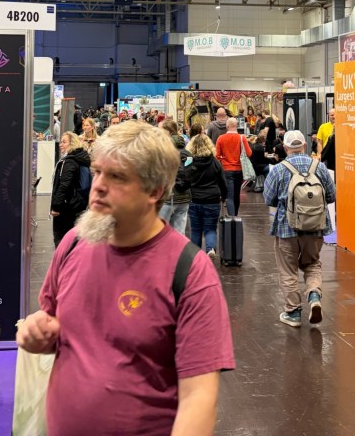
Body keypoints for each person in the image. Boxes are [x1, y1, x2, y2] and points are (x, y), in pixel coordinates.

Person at [16, 120, 234, 436]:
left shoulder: (190, 271)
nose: (98, 185)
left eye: (116, 176)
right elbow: (52, 320)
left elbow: (198, 397)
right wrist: (37, 333)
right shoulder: (74, 243)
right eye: (97, 171)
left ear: (154, 191)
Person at [263, 130, 336, 328]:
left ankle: (293, 312)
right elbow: (331, 196)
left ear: (285, 148)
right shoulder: (319, 167)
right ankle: (314, 296)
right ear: (304, 146)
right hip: (315, 227)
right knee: (312, 264)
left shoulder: (278, 170)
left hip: (287, 229)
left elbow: (268, 198)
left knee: (288, 270)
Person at [187, 133, 227, 258]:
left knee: (196, 229)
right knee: (210, 228)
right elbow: (223, 182)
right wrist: (224, 196)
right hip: (212, 200)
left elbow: (186, 179)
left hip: (194, 199)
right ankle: (210, 249)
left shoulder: (189, 162)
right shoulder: (215, 162)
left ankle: (195, 255)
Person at [49, 132, 91, 247]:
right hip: (77, 204)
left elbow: (64, 185)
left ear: (72, 143)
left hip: (66, 207)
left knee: (61, 240)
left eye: (64, 142)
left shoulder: (69, 162)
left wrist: (56, 206)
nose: (60, 144)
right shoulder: (81, 159)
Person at [159, 119, 192, 234]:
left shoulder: (163, 151)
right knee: (179, 234)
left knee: (161, 234)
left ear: (166, 132)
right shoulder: (186, 150)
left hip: (168, 197)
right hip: (185, 196)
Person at [214, 117, 251, 217]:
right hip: (239, 170)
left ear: (227, 126)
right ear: (237, 126)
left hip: (226, 170)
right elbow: (249, 153)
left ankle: (232, 219)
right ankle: (235, 217)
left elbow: (217, 156)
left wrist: (223, 159)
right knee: (236, 195)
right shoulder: (242, 138)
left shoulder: (221, 138)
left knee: (229, 196)